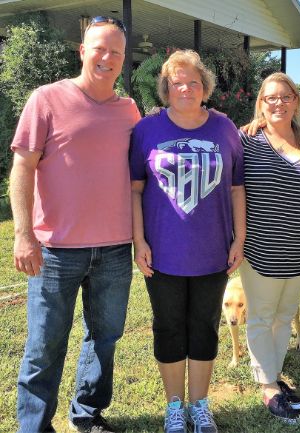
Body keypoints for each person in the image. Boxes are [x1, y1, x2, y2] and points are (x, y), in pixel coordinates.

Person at [9, 16, 141, 433]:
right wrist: (23, 234)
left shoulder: (129, 110)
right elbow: (22, 167)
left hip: (116, 249)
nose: (107, 57)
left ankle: (87, 414)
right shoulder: (46, 99)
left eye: (116, 52)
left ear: (123, 61)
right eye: (99, 48)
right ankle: (34, 425)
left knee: (104, 339)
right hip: (55, 250)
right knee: (45, 344)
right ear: (82, 50)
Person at [129, 49, 246, 433]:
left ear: (205, 87)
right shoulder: (148, 130)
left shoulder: (224, 128)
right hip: (161, 254)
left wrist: (239, 238)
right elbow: (135, 189)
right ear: (166, 87)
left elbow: (236, 188)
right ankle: (174, 408)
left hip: (213, 253)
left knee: (205, 327)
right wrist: (138, 240)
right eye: (177, 82)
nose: (185, 88)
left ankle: (200, 405)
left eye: (193, 81)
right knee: (168, 328)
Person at [238, 72, 300, 424]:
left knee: (284, 316)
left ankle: (272, 373)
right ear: (261, 102)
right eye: (270, 97)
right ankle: (268, 385)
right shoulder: (247, 140)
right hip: (261, 251)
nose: (278, 103)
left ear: (296, 101)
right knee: (261, 316)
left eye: (285, 96)